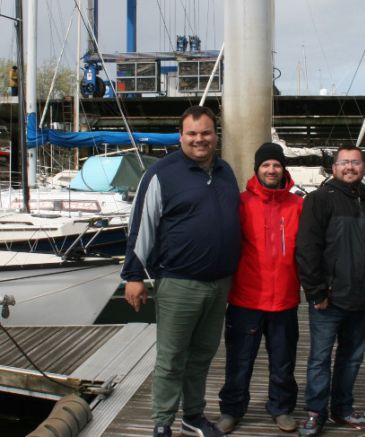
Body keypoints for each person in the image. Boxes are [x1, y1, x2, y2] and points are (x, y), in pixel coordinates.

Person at [122, 106, 240, 437]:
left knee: (202, 356)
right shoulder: (161, 173)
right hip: (179, 282)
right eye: (192, 133)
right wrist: (133, 276)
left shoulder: (225, 171)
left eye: (206, 133)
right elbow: (141, 225)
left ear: (215, 135)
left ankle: (193, 416)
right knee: (172, 358)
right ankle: (163, 422)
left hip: (219, 284)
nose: (199, 139)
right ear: (181, 136)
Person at [217, 142, 303, 434]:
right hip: (246, 299)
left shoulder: (297, 205)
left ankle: (281, 408)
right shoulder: (240, 203)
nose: (271, 169)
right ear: (257, 169)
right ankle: (232, 410)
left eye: (276, 165)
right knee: (239, 362)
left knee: (283, 363)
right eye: (266, 165)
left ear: (283, 169)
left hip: (285, 300)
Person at [295, 144, 365, 436]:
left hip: (364, 298)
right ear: (334, 168)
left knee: (351, 358)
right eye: (344, 163)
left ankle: (342, 409)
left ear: (364, 168)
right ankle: (316, 411)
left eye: (356, 163)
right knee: (319, 358)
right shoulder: (319, 199)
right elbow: (306, 248)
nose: (350, 168)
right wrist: (316, 291)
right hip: (328, 299)